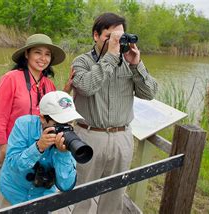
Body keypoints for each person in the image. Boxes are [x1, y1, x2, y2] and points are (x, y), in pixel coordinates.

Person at [69, 12, 158, 214]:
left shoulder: (129, 63)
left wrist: (137, 65)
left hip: (121, 137)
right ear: (96, 35)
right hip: (89, 136)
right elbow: (86, 87)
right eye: (110, 36)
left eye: (120, 37)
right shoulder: (81, 62)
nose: (116, 42)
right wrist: (110, 57)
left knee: (115, 195)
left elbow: (150, 93)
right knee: (82, 194)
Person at [0, 34, 66, 212]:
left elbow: (51, 116)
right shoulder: (11, 78)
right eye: (38, 52)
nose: (43, 59)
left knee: (25, 191)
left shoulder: (49, 85)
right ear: (27, 54)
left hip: (35, 148)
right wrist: (3, 145)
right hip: (8, 146)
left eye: (47, 54)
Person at [0, 91, 82, 206]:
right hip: (13, 194)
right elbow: (13, 165)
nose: (65, 128)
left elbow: (66, 185)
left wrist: (63, 154)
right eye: (59, 123)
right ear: (42, 118)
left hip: (43, 200)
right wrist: (38, 147)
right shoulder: (23, 125)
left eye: (69, 122)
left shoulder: (70, 139)